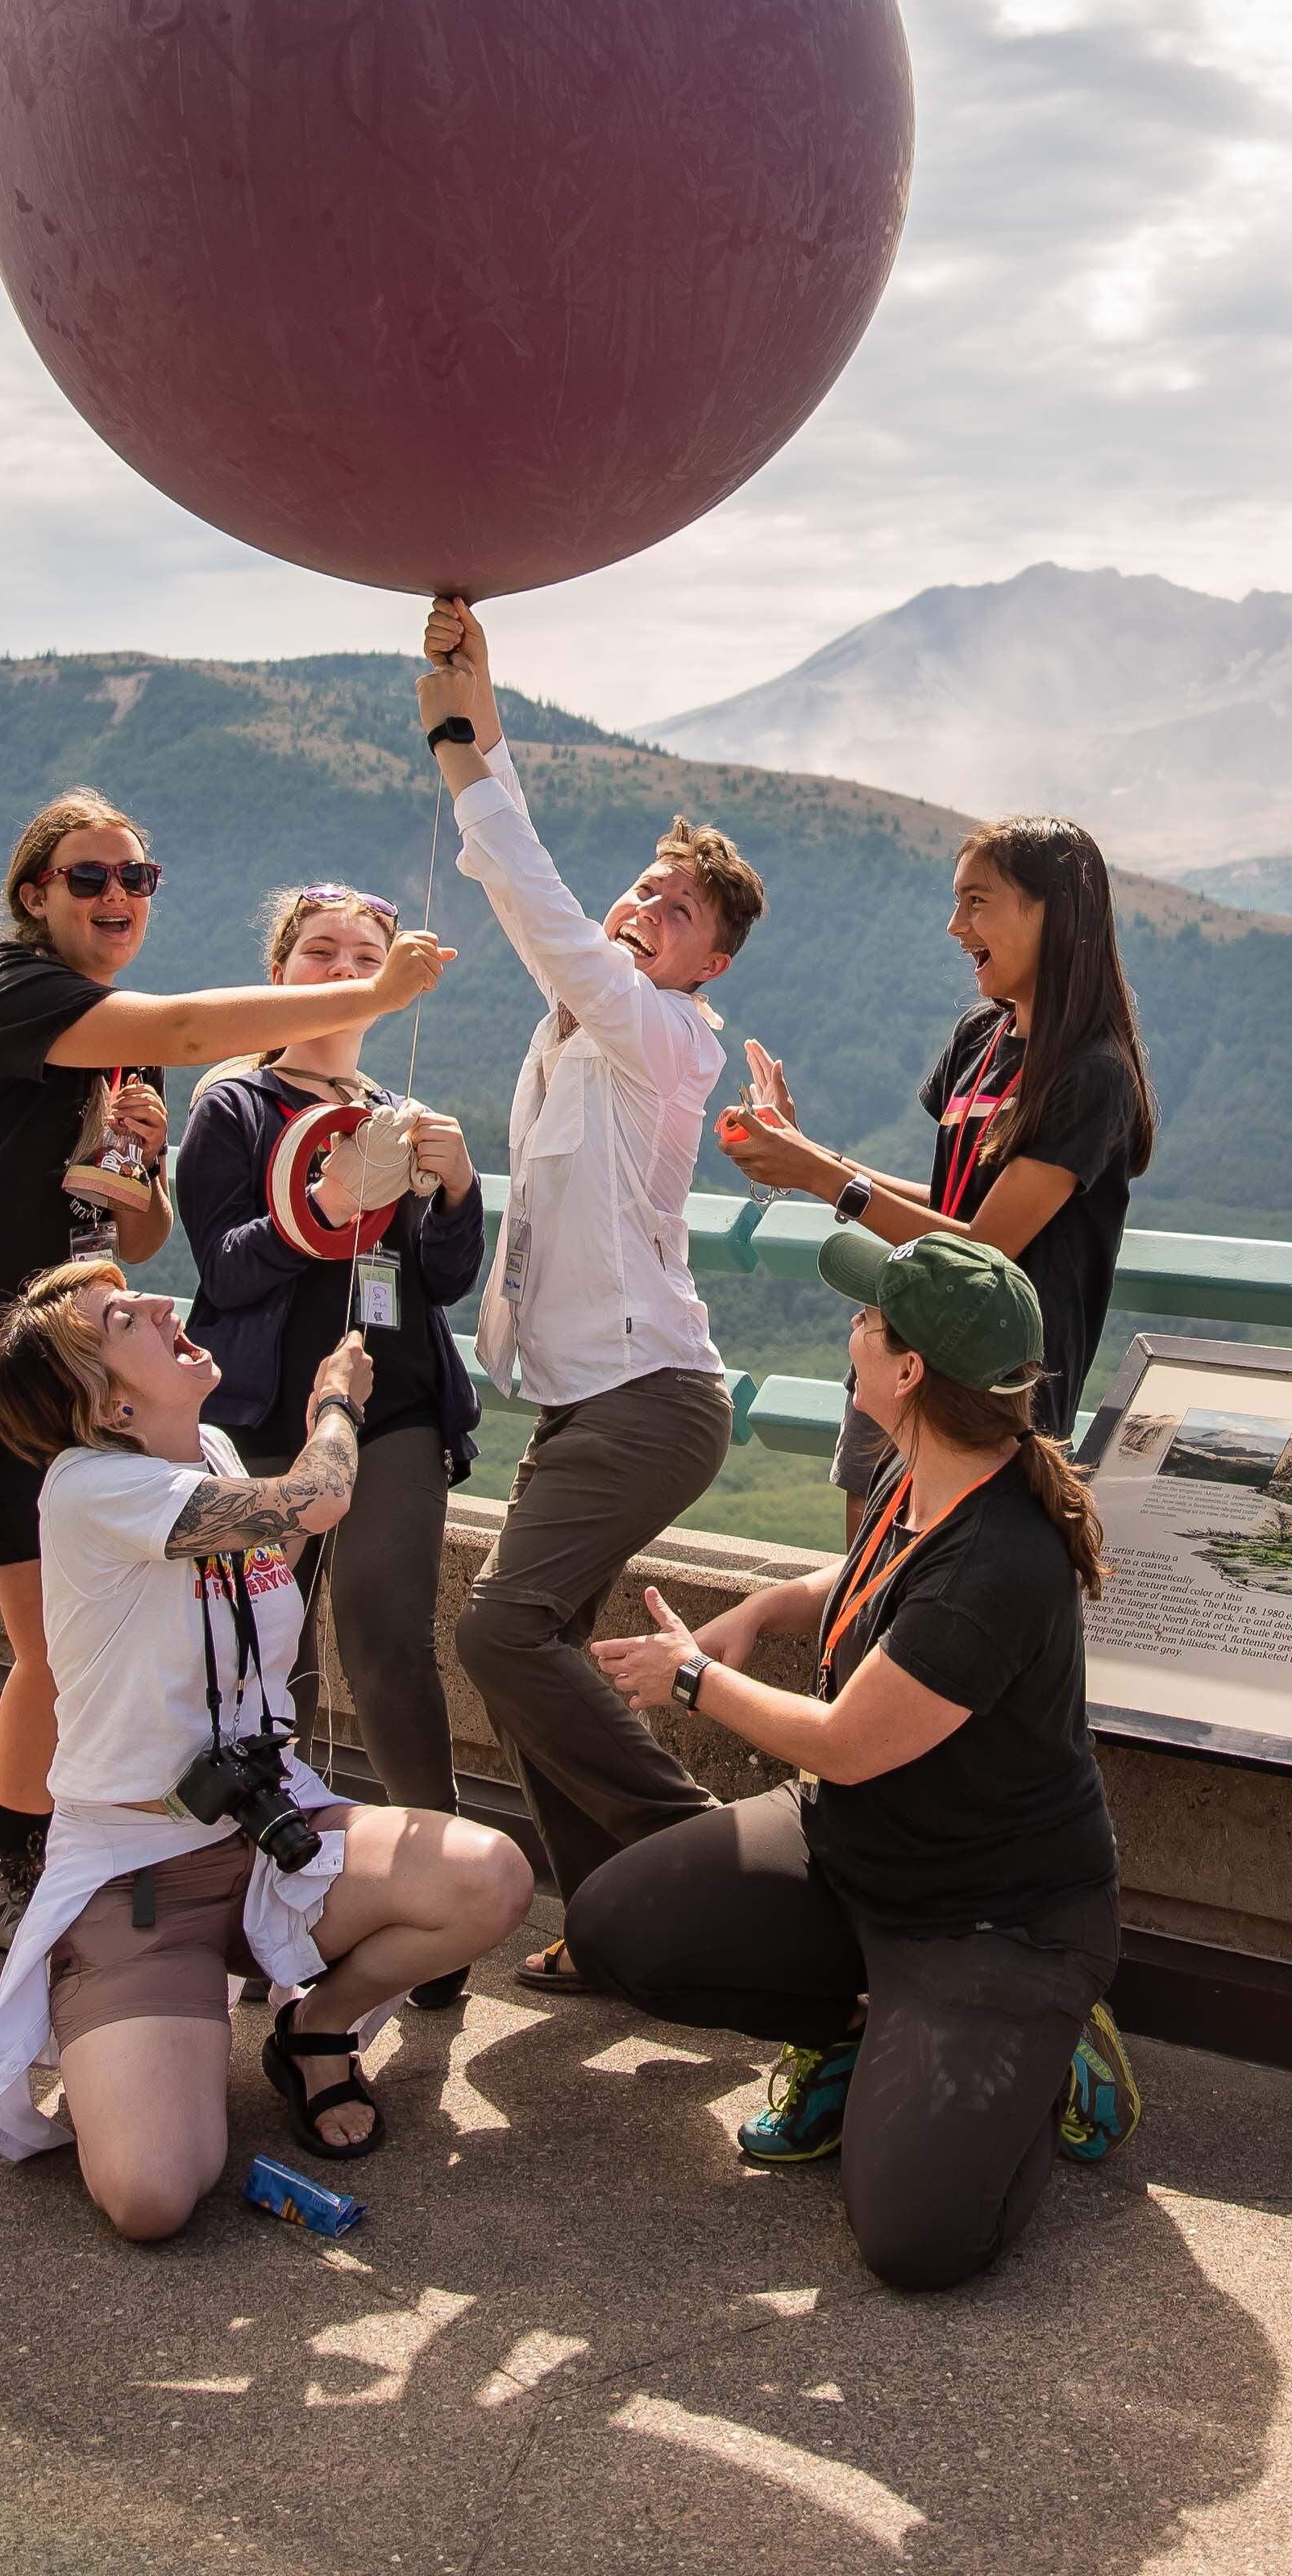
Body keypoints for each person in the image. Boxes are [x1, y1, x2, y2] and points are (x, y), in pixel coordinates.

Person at [0, 790, 451, 2064]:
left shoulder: (114, 1056)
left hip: (41, 1392)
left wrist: (138, 1172)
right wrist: (368, 995)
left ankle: (4, 1880)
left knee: (58, 1655)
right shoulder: (5, 986)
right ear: (33, 895)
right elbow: (181, 1020)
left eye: (139, 876)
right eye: (87, 877)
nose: (117, 896)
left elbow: (128, 1241)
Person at [569, 1227, 1132, 2292]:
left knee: (921, 2243)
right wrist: (762, 1611)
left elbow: (846, 1744)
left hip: (993, 1922)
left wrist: (693, 1677)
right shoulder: (925, 1471)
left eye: (870, 1321)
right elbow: (864, 1580)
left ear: (913, 1370)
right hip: (855, 1855)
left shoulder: (999, 1561)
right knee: (618, 1929)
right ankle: (859, 2033)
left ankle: (1046, 2056)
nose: (852, 1331)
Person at [0, 1260, 532, 2236]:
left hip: (267, 1830)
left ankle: (314, 2027)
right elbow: (317, 1499)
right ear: (104, 1401)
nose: (157, 1302)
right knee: (152, 2196)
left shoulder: (219, 1453)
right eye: (120, 1317)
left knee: (489, 1877)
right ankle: (107, 2000)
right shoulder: (88, 1486)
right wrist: (333, 1401)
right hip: (136, 1873)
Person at [416, 599, 767, 1991]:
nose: (639, 915)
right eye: (642, 891)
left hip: (648, 1399)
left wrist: (469, 742)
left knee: (500, 1629)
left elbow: (535, 901)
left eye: (671, 913)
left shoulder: (654, 1032)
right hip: (583, 1403)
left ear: (707, 966)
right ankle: (623, 1927)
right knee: (533, 1648)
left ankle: (719, 1872)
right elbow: (559, 932)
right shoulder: (577, 1030)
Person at [175, 886, 490, 1877]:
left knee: (384, 1629)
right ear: (277, 974)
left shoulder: (401, 1114)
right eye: (319, 950)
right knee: (272, 1651)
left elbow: (440, 1280)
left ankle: (439, 1875)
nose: (345, 966)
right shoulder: (233, 1105)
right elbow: (223, 1269)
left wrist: (459, 1188)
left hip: (393, 1408)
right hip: (266, 1413)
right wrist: (323, 1200)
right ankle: (279, 1874)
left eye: (366, 951)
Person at [715, 814, 1156, 1492]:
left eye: (977, 902)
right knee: (868, 1580)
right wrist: (807, 1155)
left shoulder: (1091, 1075)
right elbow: (950, 1207)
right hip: (901, 1345)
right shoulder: (980, 1036)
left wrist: (823, 1176)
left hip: (994, 1389)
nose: (956, 927)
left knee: (946, 1581)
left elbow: (985, 1245)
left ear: (1053, 915)